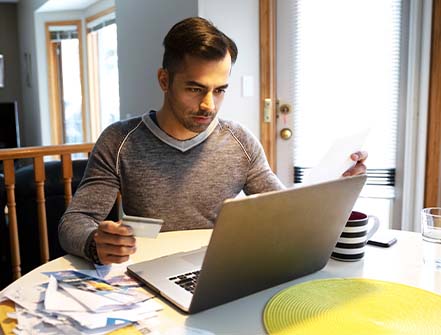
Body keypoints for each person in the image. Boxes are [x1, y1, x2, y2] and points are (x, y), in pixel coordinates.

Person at [59, 17, 367, 265]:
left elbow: (284, 211)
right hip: (147, 272)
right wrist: (95, 242)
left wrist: (335, 184)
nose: (209, 104)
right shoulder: (119, 141)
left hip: (217, 271)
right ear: (164, 80)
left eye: (219, 90)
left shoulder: (240, 141)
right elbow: (75, 221)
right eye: (195, 89)